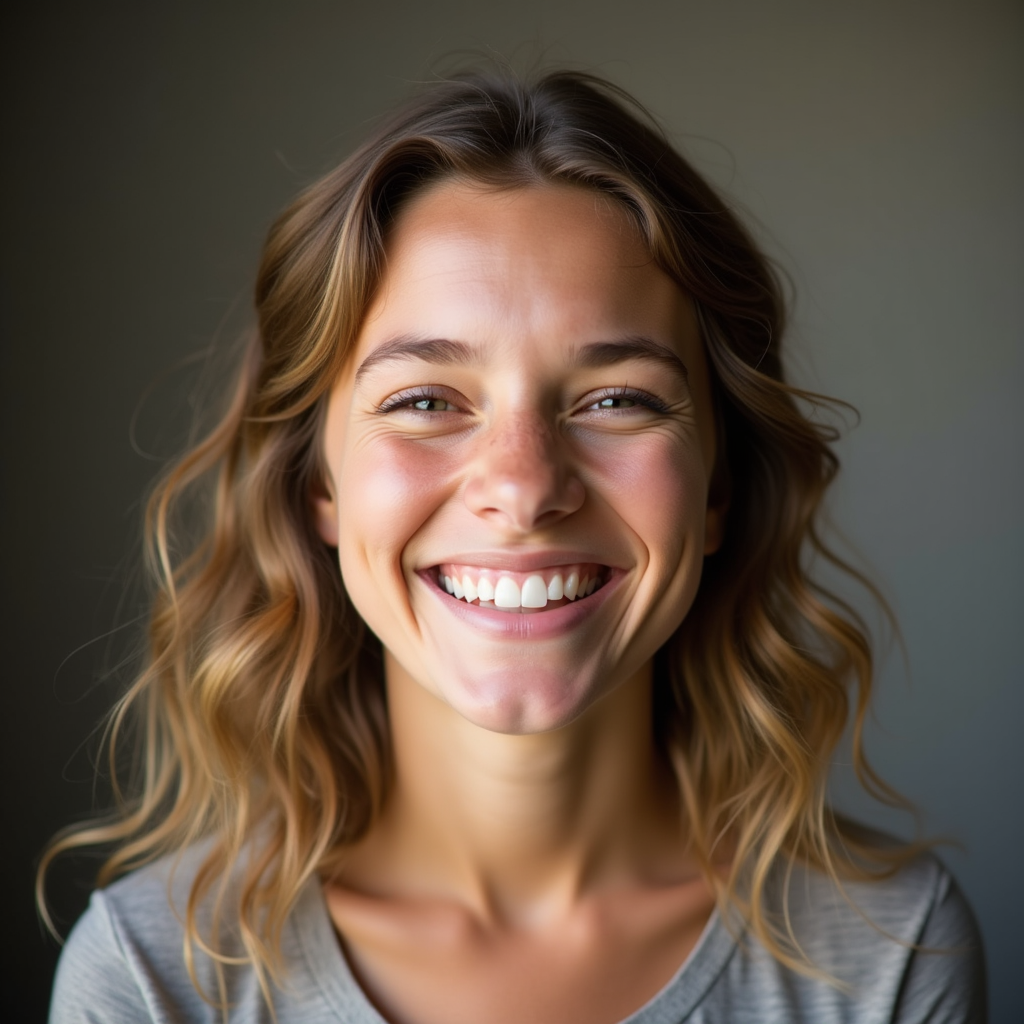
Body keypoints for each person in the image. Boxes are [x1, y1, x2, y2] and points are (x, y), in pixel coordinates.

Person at [42, 68, 985, 1023]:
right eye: (424, 402)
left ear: (717, 490)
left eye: (616, 400)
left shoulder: (889, 955)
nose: (525, 487)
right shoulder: (150, 976)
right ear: (320, 484)